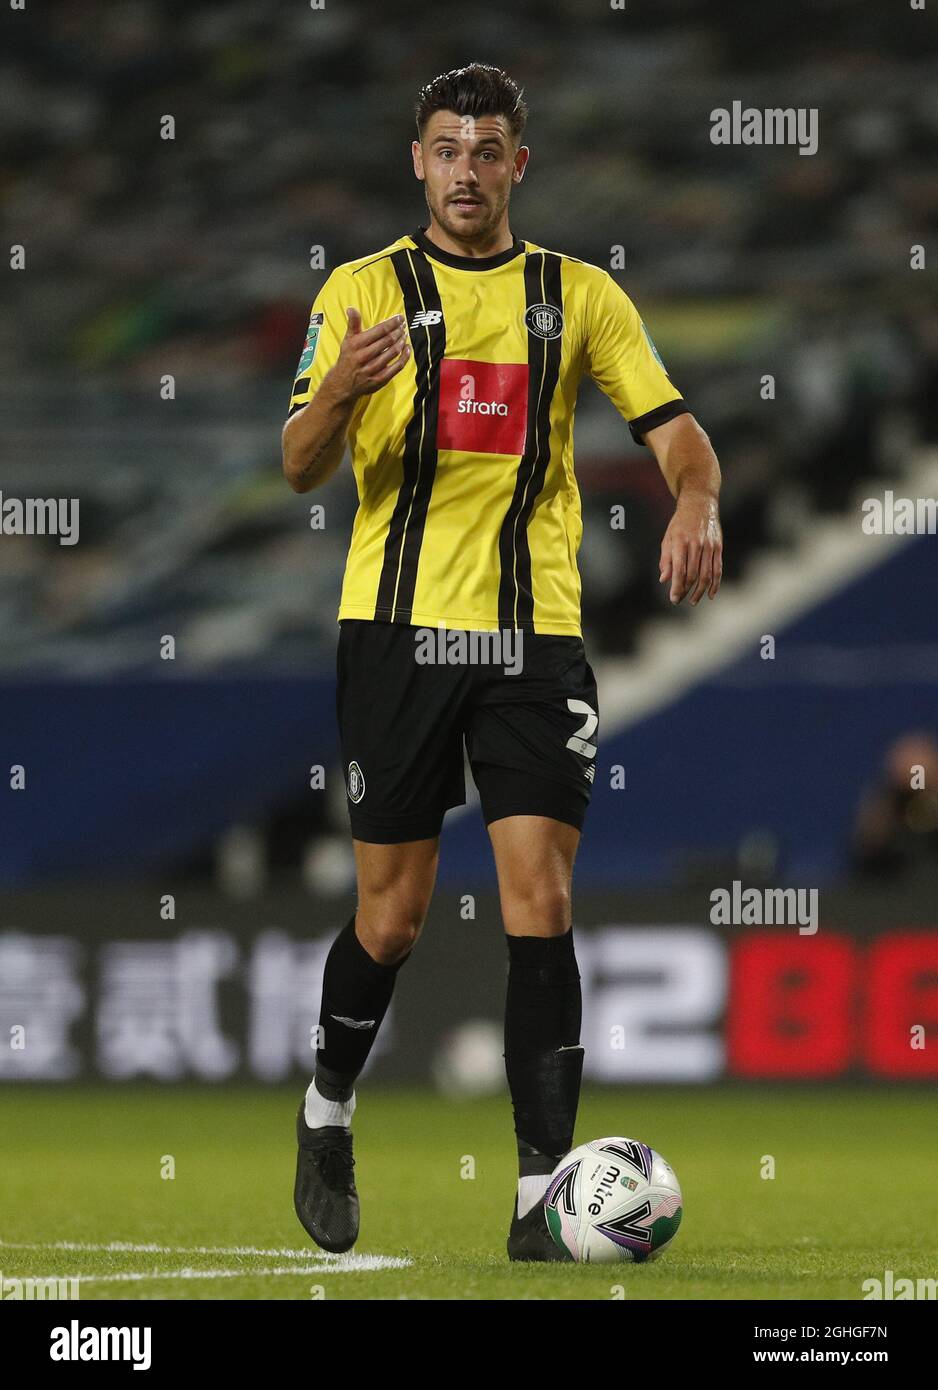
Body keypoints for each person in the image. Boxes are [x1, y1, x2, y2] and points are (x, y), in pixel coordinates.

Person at [281, 62, 723, 1261]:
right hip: (396, 632)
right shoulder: (361, 291)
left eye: (487, 150)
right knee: (393, 917)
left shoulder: (576, 297)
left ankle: (538, 1200)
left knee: (542, 900)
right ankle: (328, 1108)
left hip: (536, 640)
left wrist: (696, 503)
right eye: (444, 148)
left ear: (517, 163)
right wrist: (336, 394)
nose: (465, 169)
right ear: (415, 161)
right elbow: (299, 464)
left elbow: (677, 433)